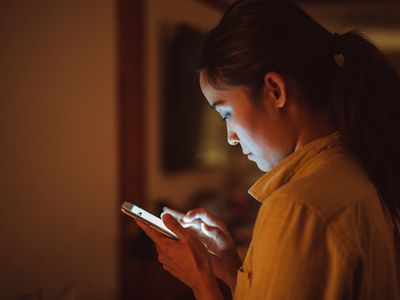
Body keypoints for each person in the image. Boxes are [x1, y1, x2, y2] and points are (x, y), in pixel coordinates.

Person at [136, 0, 400, 299]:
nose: (230, 137)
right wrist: (228, 264)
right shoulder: (360, 169)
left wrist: (201, 282)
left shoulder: (296, 207)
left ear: (275, 90)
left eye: (226, 114)